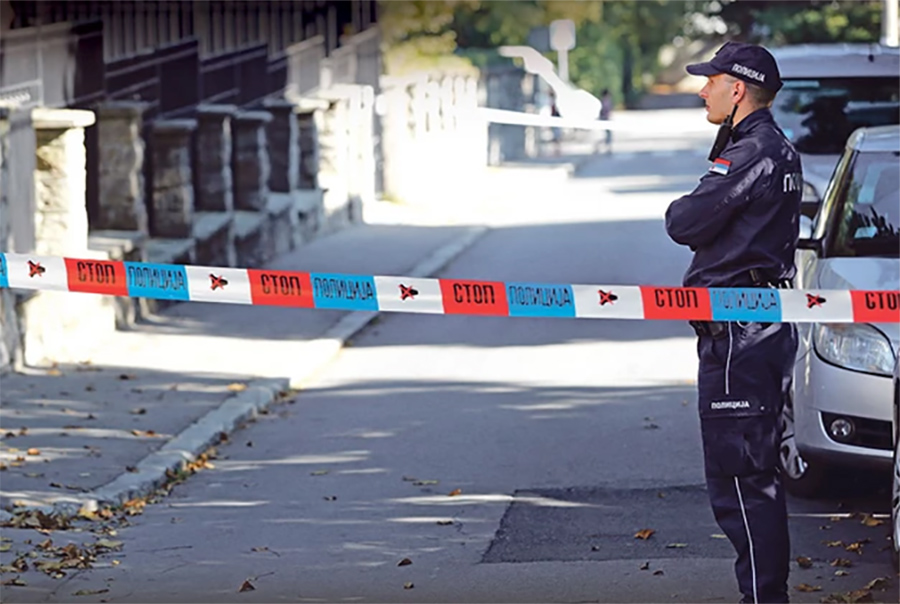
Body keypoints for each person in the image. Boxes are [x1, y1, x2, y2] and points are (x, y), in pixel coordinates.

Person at [664, 41, 803, 604]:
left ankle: (765, 599)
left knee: (743, 482)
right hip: (752, 330)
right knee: (749, 475)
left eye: (711, 80)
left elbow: (686, 220)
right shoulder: (765, 147)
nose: (703, 90)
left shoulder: (754, 153)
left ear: (737, 88)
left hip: (739, 337)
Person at [599, 89, 613, 153]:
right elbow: (604, 111)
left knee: (608, 134)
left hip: (606, 119)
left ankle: (608, 147)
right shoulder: (604, 102)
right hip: (605, 119)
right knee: (608, 134)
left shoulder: (605, 101)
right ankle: (607, 147)